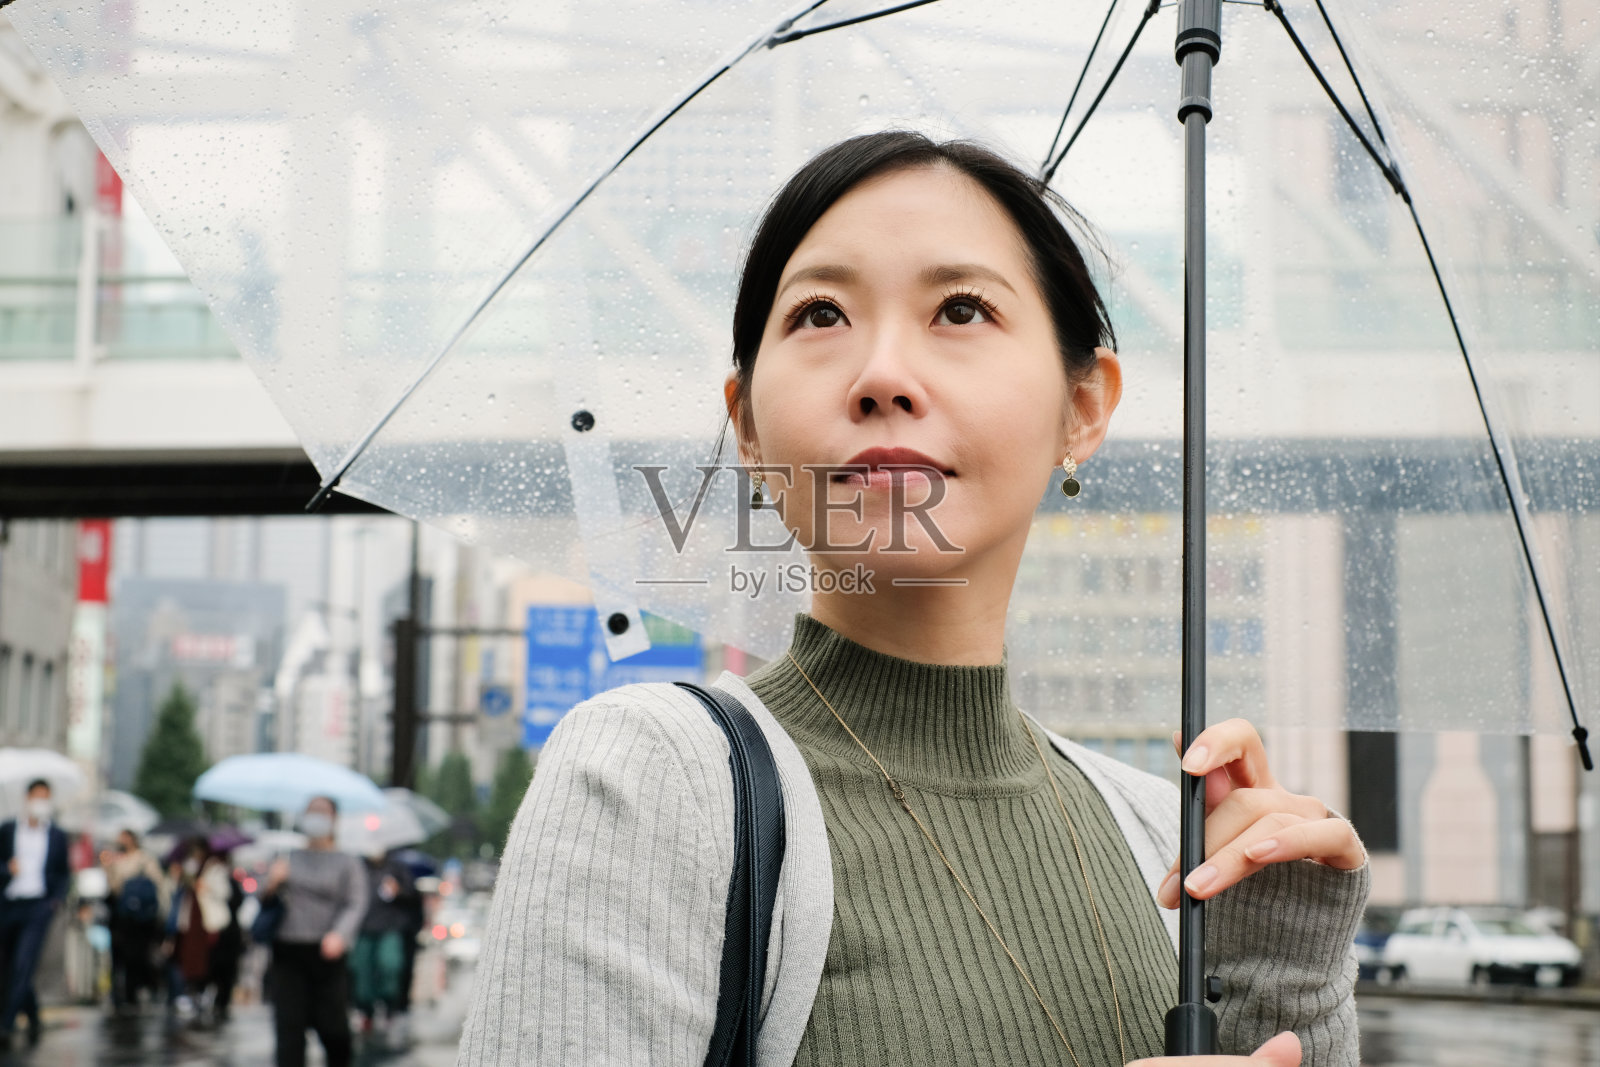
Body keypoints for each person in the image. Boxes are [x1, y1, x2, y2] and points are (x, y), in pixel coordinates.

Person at [457, 132, 1370, 1067]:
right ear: (749, 428)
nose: (883, 375)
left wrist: (1281, 966)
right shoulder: (654, 780)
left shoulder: (1164, 841)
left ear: (1085, 406)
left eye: (961, 308)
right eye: (820, 314)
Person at [263, 795, 367, 1067]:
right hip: (288, 951)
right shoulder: (287, 857)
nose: (315, 817)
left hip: (327, 955)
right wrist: (273, 882)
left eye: (322, 811)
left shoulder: (348, 862)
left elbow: (356, 903)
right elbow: (264, 899)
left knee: (334, 1030)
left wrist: (340, 935)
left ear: (334, 819)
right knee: (289, 1031)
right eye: (311, 811)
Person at [0, 779, 70, 1047]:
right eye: (37, 796)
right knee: (9, 964)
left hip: (38, 907)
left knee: (23, 962)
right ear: (27, 797)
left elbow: (63, 873)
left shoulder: (56, 835)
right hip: (8, 903)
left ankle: (6, 1023)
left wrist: (54, 901)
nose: (41, 802)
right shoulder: (8, 829)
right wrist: (8, 869)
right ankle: (33, 1014)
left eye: (46, 797)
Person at [350, 849, 418, 1038]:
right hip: (363, 928)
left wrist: (399, 891)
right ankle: (365, 1011)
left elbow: (412, 894)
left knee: (390, 966)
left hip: (390, 927)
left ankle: (390, 1007)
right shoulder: (358, 867)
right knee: (362, 972)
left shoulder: (397, 868)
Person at [104, 828, 169, 1013]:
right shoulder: (116, 860)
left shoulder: (145, 859)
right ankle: (122, 994)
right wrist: (109, 868)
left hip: (141, 919)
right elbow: (114, 889)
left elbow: (157, 884)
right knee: (121, 956)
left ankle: (136, 991)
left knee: (138, 956)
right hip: (123, 917)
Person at [165, 837, 230, 1020]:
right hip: (190, 921)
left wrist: (204, 886)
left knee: (206, 959)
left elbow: (224, 892)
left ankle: (203, 993)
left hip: (206, 921)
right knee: (187, 958)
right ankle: (189, 993)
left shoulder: (215, 869)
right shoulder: (189, 869)